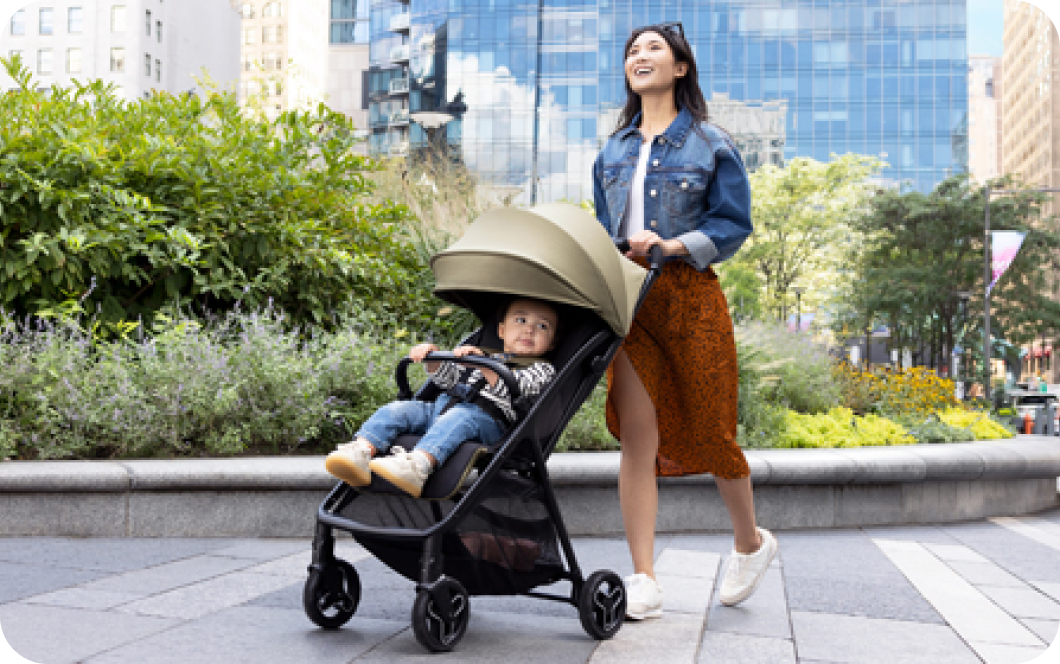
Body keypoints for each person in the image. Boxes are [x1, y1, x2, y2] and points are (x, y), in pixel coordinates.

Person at [591, 22, 777, 619]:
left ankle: (750, 543)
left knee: (712, 425)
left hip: (689, 297)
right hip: (632, 303)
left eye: (653, 50)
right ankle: (644, 576)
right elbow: (602, 229)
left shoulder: (710, 143)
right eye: (632, 51)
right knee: (639, 439)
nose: (639, 57)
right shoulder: (612, 151)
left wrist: (672, 245)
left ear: (680, 69)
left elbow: (731, 225)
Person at [324, 298, 559, 498]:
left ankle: (418, 466)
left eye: (542, 326)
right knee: (398, 410)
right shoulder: (485, 355)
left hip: (489, 423)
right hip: (442, 408)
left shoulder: (542, 369)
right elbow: (449, 381)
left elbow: (514, 391)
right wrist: (433, 358)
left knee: (462, 416)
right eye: (521, 320)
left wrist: (486, 366)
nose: (530, 329)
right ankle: (361, 452)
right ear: (501, 330)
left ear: (552, 343)